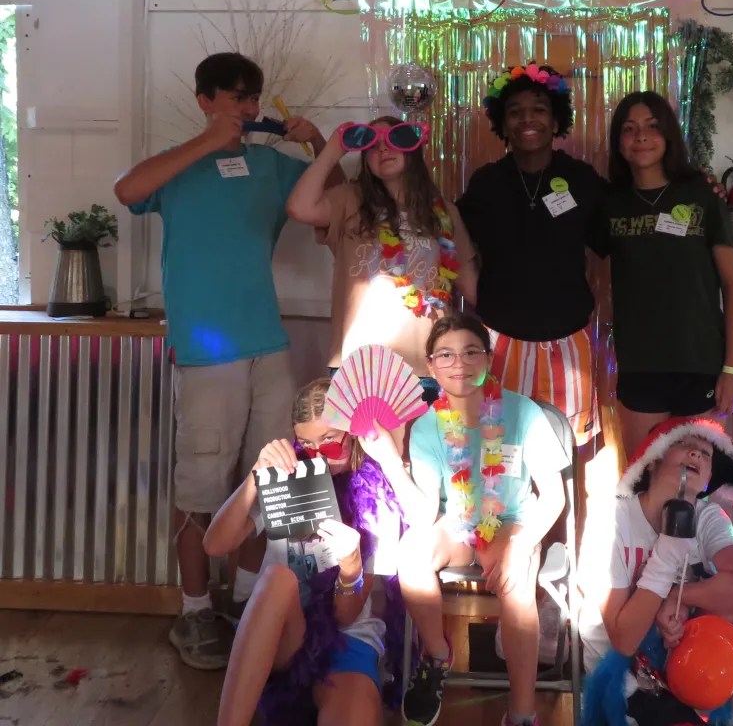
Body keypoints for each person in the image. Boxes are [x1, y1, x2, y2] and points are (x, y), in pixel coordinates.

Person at [113, 52, 342, 669]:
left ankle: (244, 603)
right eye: (235, 96)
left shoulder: (271, 165)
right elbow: (127, 190)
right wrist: (208, 142)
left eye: (252, 97)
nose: (248, 106)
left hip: (268, 344)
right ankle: (193, 613)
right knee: (200, 482)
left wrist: (318, 141)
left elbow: (343, 207)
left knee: (270, 480)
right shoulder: (177, 166)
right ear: (205, 100)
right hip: (206, 353)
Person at [358, 313, 569, 726]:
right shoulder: (426, 427)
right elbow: (424, 515)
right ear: (431, 365)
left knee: (517, 579)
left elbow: (554, 496)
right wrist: (389, 461)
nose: (459, 363)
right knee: (411, 553)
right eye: (446, 355)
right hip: (455, 522)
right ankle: (438, 656)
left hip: (510, 521)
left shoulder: (523, 413)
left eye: (471, 352)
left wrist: (520, 546)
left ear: (488, 359)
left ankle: (521, 714)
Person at [204, 378, 407, 726]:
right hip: (284, 631)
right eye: (307, 445)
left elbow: (345, 618)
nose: (319, 456)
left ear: (354, 433)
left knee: (353, 716)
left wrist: (351, 566)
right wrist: (255, 476)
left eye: (329, 442)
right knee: (278, 579)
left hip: (349, 639)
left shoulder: (377, 495)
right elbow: (215, 544)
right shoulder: (288, 478)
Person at [577, 416, 733, 726]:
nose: (696, 454)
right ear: (653, 460)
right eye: (683, 444)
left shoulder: (708, 516)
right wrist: (668, 549)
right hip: (624, 677)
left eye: (706, 454)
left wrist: (676, 597)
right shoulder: (611, 519)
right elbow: (624, 641)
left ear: (708, 480)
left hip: (682, 653)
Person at [457, 63, 605, 447]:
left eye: (539, 109)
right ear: (502, 124)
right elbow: (454, 243)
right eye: (515, 111)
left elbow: (614, 238)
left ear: (556, 121)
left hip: (567, 342)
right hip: (501, 341)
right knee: (499, 450)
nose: (527, 119)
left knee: (567, 451)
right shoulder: (486, 183)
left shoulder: (582, 179)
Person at [596, 91, 733, 459]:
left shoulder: (701, 194)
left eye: (652, 126)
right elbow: (597, 282)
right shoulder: (609, 202)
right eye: (629, 129)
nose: (641, 137)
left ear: (668, 134)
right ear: (619, 141)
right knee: (644, 478)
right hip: (639, 366)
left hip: (701, 363)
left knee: (699, 480)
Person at [286, 114, 478, 381]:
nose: (384, 148)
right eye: (373, 145)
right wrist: (333, 149)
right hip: (361, 365)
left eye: (394, 138)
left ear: (412, 147)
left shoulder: (444, 212)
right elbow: (299, 207)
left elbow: (471, 287)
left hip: (431, 364)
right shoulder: (349, 200)